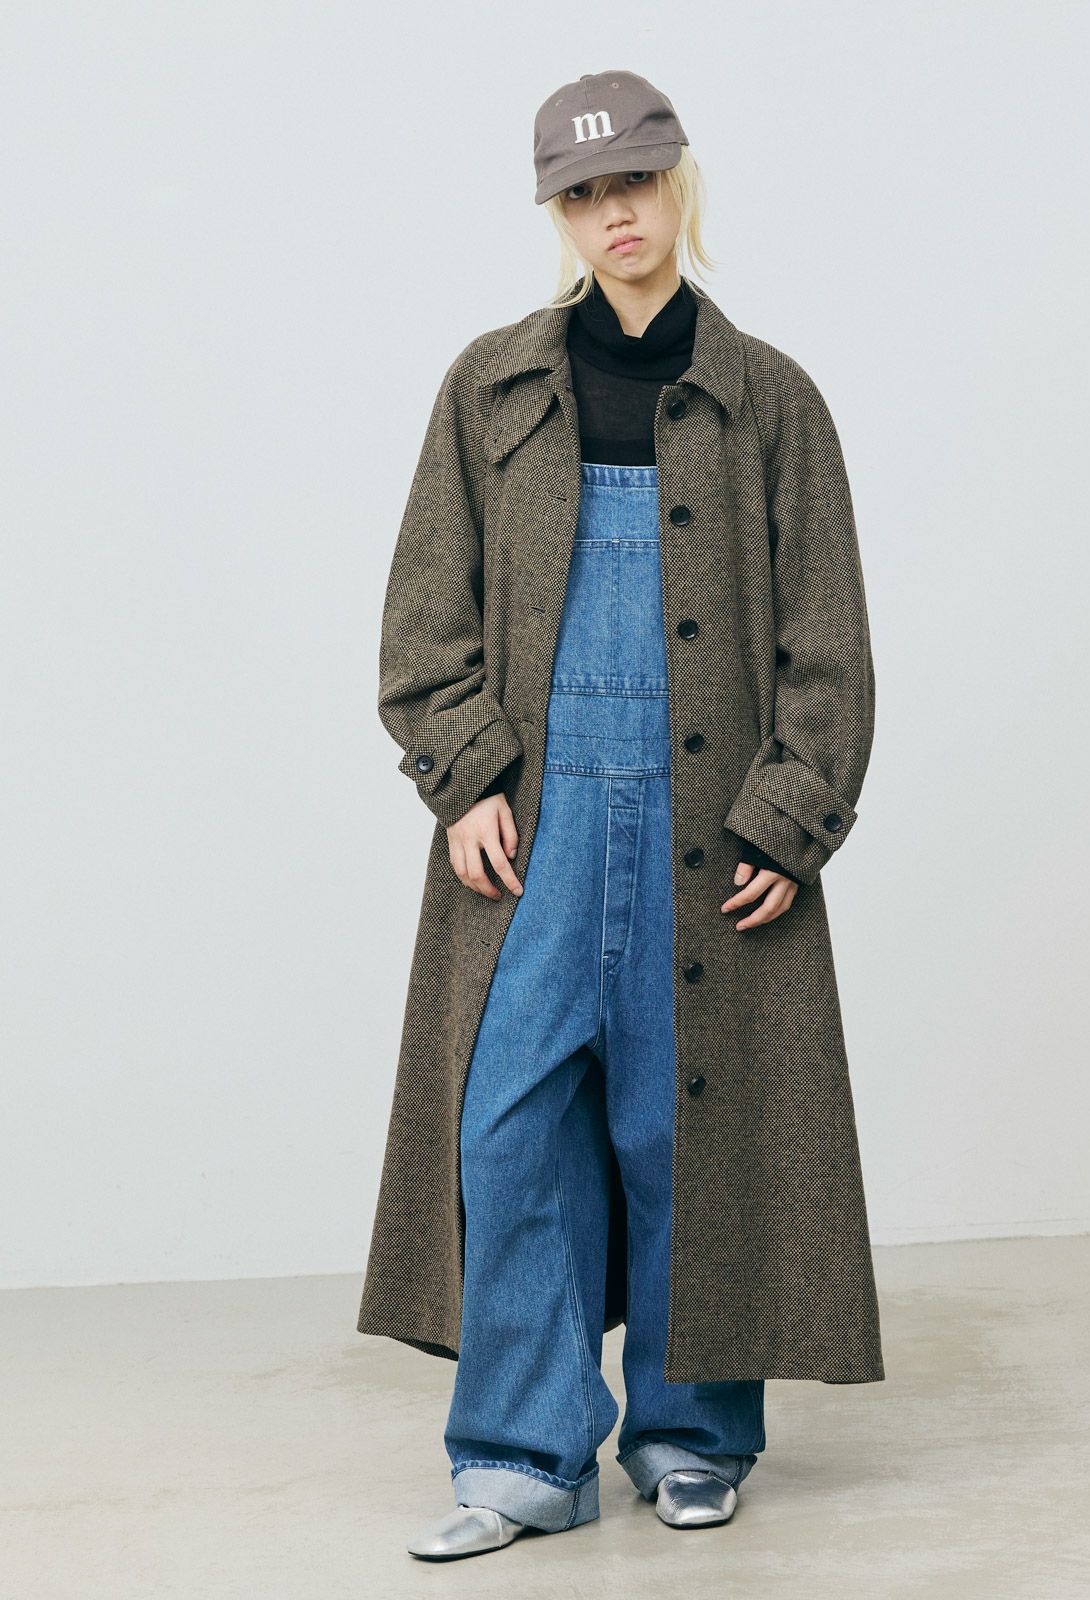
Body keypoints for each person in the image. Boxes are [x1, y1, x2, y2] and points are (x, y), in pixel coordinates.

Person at [366, 69, 885, 1563]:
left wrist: (789, 815)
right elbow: (424, 620)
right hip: (533, 834)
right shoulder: (489, 390)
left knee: (689, 1124)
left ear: (680, 184)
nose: (616, 215)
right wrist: (464, 774)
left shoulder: (769, 398)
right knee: (509, 1131)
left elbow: (829, 640)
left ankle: (690, 1434)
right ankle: (525, 1454)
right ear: (559, 212)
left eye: (637, 184)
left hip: (709, 832)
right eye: (585, 194)